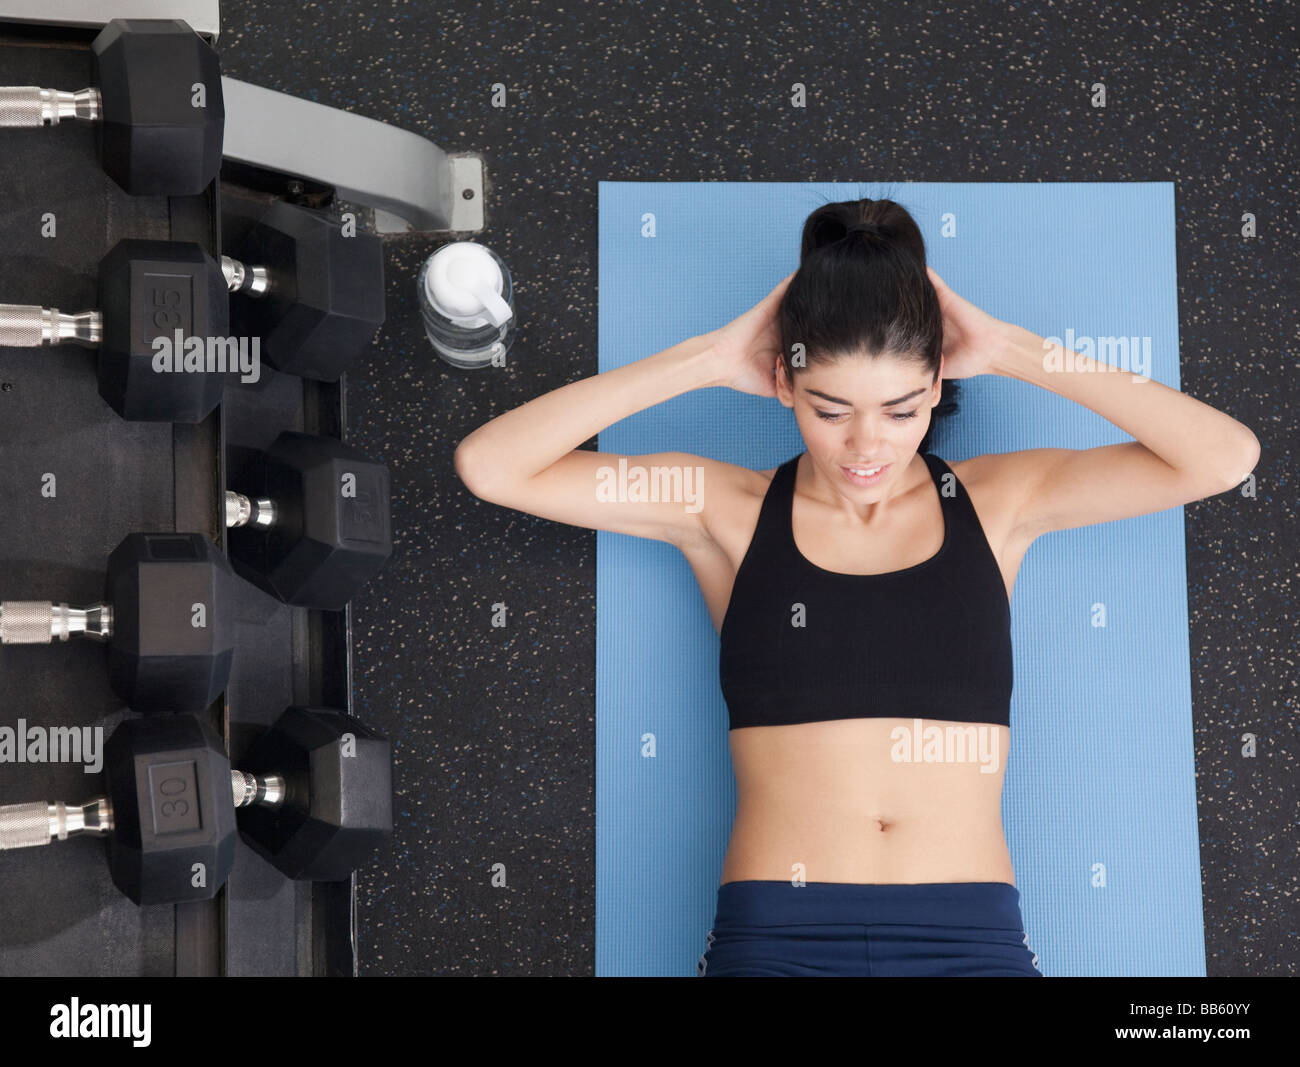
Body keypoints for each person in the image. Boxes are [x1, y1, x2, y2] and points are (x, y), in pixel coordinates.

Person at [453, 198, 1260, 977]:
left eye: (901, 409)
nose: (867, 445)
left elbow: (1222, 458)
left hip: (969, 939)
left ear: (939, 384)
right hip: (776, 938)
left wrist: (1012, 347)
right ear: (783, 383)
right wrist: (702, 359)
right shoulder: (721, 511)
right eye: (831, 409)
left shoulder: (998, 503)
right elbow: (491, 467)